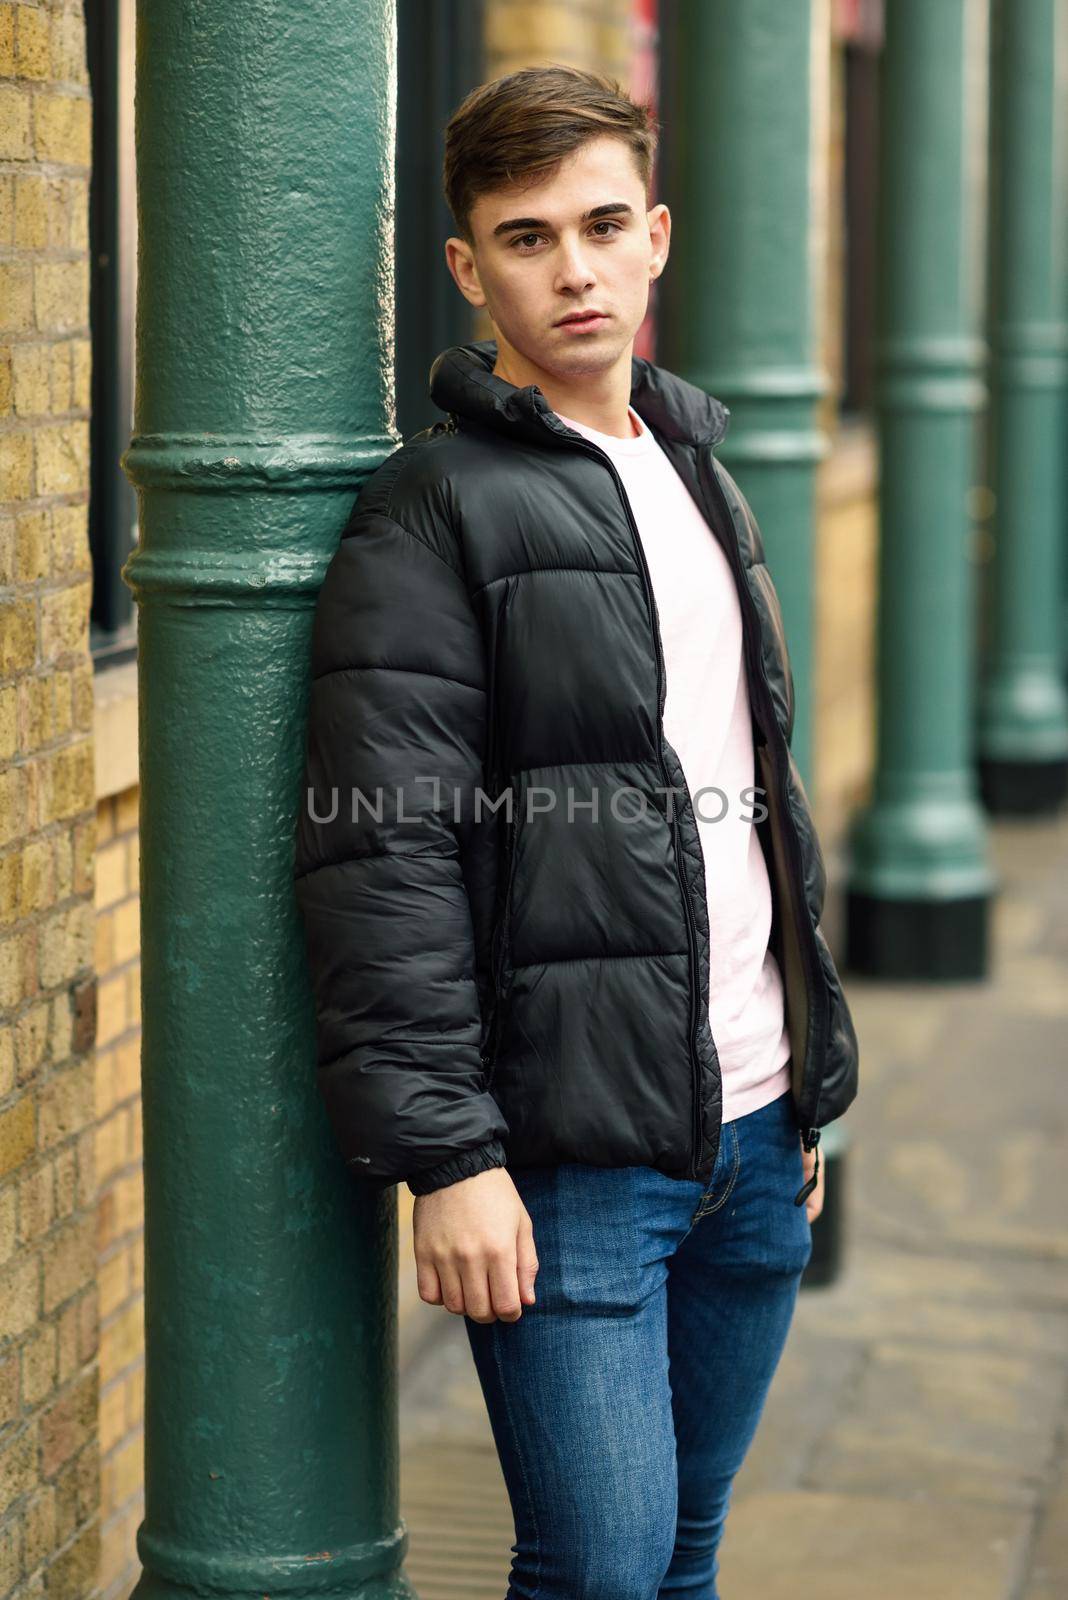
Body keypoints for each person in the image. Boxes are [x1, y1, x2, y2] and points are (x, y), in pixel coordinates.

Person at [294, 62, 859, 1600]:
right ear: (471, 270)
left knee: (682, 1555)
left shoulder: (700, 472)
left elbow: (755, 802)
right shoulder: (435, 508)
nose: (576, 268)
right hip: (568, 1161)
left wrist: (806, 1075)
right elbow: (382, 855)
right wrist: (452, 1160)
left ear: (657, 235)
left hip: (756, 1130)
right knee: (599, 1570)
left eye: (603, 225)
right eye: (527, 237)